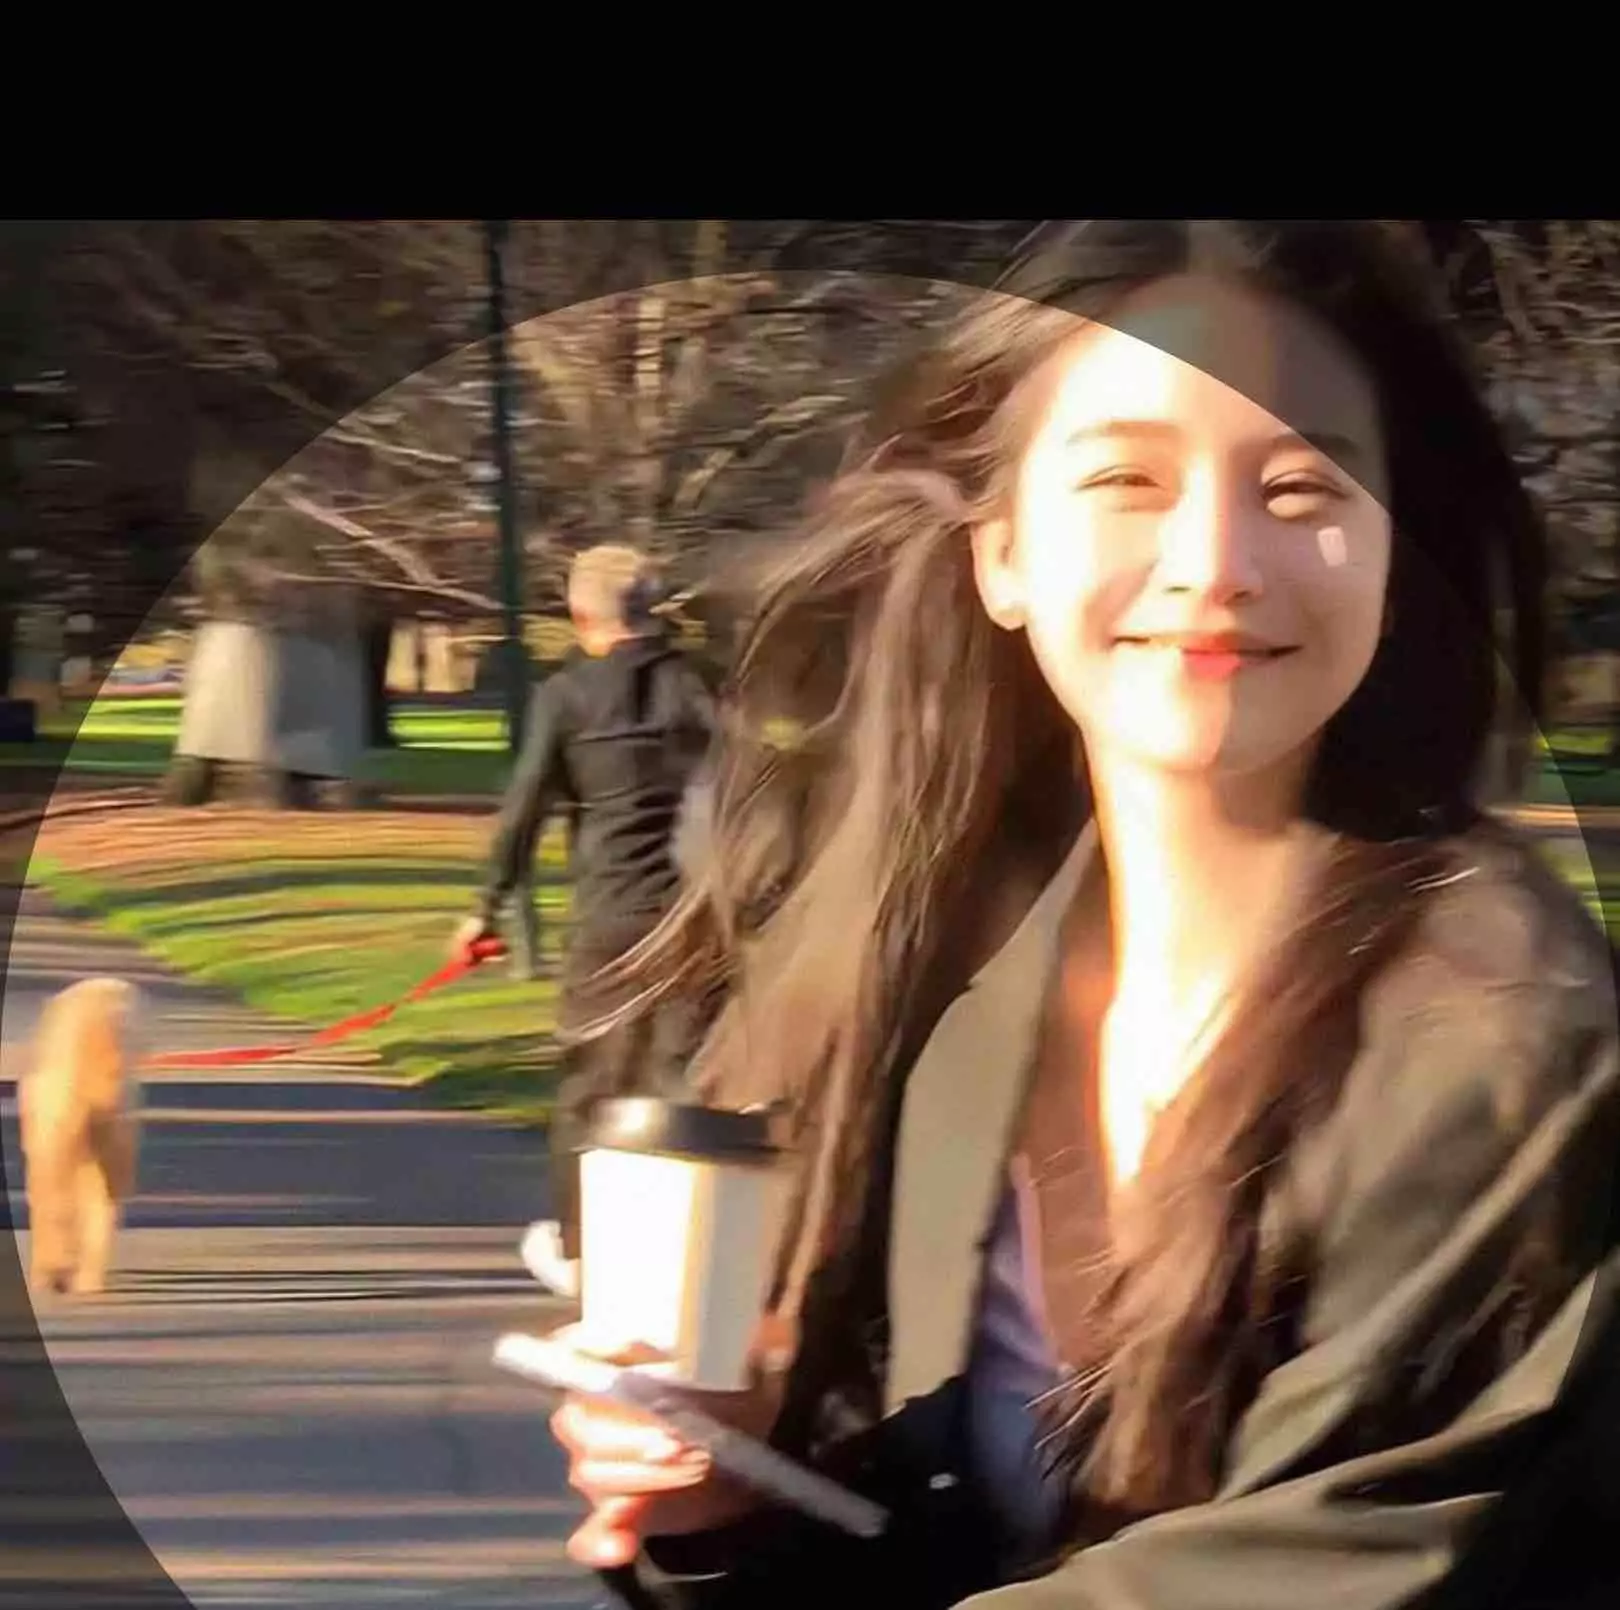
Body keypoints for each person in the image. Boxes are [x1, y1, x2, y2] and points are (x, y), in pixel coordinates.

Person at [544, 222, 1620, 1609]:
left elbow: (1326, 1576)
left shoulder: (1506, 1033)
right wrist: (718, 1502)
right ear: (1001, 553)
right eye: (1127, 479)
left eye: (1302, 486)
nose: (1215, 561)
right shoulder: (943, 979)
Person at [454, 543, 716, 1295]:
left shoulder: (566, 697)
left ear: (579, 616)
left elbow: (523, 812)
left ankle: (580, 1252)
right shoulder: (701, 687)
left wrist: (484, 909)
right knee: (681, 1085)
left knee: (591, 1089)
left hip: (608, 920)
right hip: (697, 922)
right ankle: (688, 1259)